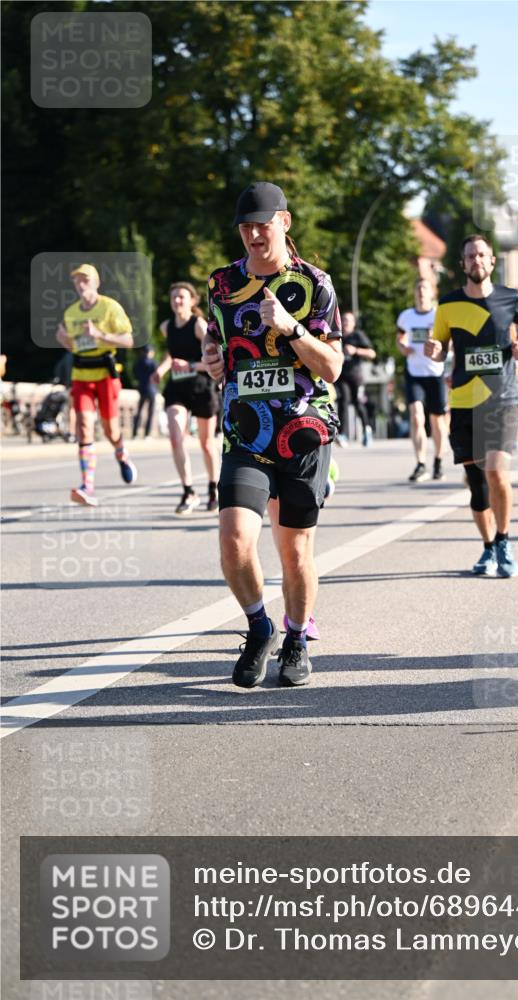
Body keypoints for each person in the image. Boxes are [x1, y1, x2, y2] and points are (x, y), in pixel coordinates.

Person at [202, 181, 343, 688]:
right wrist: (212, 359)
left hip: (303, 432)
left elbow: (332, 367)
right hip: (246, 434)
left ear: (284, 222)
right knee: (235, 539)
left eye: (262, 225)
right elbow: (216, 340)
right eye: (245, 227)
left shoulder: (315, 284)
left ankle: (297, 638)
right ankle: (260, 626)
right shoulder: (222, 284)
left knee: (295, 550)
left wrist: (292, 327)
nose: (253, 235)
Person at [425, 234, 518, 577]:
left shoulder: (510, 298)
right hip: (464, 400)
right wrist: (434, 351)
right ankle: (488, 547)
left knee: (496, 471)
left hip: (503, 397)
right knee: (477, 483)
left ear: (492, 261)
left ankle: (504, 540)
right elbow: (440, 346)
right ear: (462, 264)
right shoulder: (448, 304)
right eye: (470, 256)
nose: (477, 260)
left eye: (482, 255)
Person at [55, 264, 137, 507]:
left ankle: (121, 454)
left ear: (96, 283)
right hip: (81, 374)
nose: (81, 284)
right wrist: (65, 341)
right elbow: (76, 347)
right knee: (83, 425)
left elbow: (129, 340)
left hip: (106, 374)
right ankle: (87, 485)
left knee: (111, 430)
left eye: (85, 280)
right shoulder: (71, 313)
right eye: (77, 281)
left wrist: (100, 335)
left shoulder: (110, 307)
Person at [154, 282, 220, 514]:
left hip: (202, 386)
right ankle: (189, 491)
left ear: (192, 301)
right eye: (174, 297)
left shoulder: (199, 325)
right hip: (177, 388)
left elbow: (214, 358)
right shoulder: (166, 326)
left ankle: (213, 489)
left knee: (206, 444)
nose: (177, 301)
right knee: (175, 437)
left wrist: (190, 365)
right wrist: (160, 370)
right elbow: (171, 353)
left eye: (181, 297)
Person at [396, 277, 448, 481]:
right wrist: (403, 347)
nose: (421, 292)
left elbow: (449, 342)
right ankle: (420, 463)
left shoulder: (439, 315)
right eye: (418, 288)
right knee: (417, 416)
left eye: (424, 288)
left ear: (432, 293)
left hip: (435, 373)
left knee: (437, 420)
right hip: (414, 372)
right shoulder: (406, 316)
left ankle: (438, 461)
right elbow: (400, 338)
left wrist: (439, 346)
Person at [335, 311, 376, 446]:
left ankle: (366, 430)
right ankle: (343, 434)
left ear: (353, 323)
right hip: (341, 375)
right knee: (343, 401)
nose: (346, 323)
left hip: (356, 376)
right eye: (344, 320)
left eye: (349, 320)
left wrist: (355, 350)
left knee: (358, 402)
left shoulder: (358, 335)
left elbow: (372, 353)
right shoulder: (337, 336)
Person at [132, 345, 158, 438]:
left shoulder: (138, 363)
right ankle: (147, 434)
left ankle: (135, 433)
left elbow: (135, 374)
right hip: (152, 390)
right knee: (150, 413)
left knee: (139, 412)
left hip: (142, 389)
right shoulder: (153, 363)